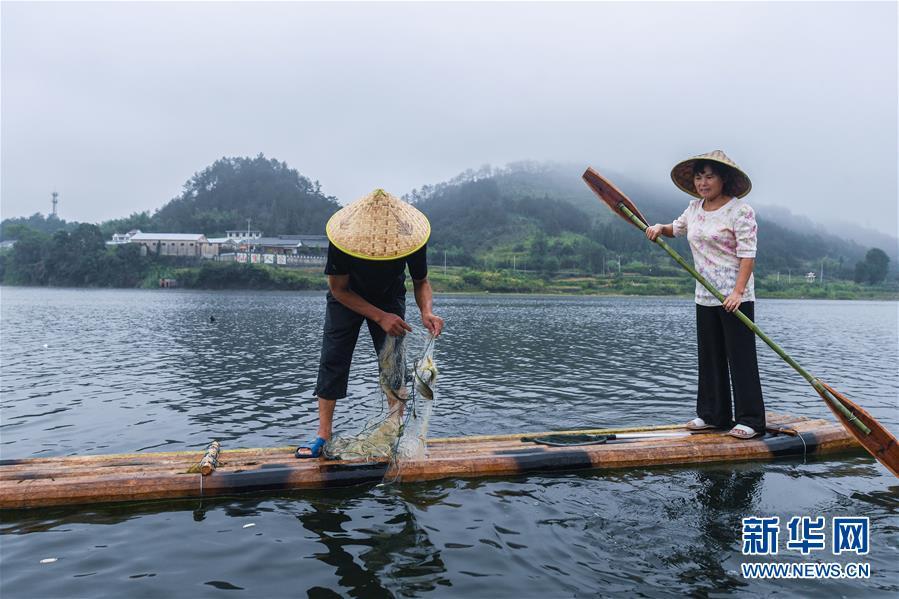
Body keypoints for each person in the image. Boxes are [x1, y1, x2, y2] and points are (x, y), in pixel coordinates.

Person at [296, 189, 445, 458]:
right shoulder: (343, 239)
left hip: (389, 296)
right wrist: (379, 317)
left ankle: (393, 429)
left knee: (393, 364)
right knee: (333, 359)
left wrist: (426, 312)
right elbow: (338, 289)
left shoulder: (410, 236)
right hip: (347, 297)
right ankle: (323, 435)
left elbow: (421, 281)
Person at [645, 150, 765, 439]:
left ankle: (751, 419)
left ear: (723, 179)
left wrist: (737, 292)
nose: (703, 182)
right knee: (709, 356)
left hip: (734, 298)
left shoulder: (740, 211)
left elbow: (748, 255)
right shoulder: (694, 207)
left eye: (709, 176)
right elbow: (679, 228)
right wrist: (660, 228)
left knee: (740, 357)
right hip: (705, 295)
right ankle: (713, 415)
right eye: (699, 177)